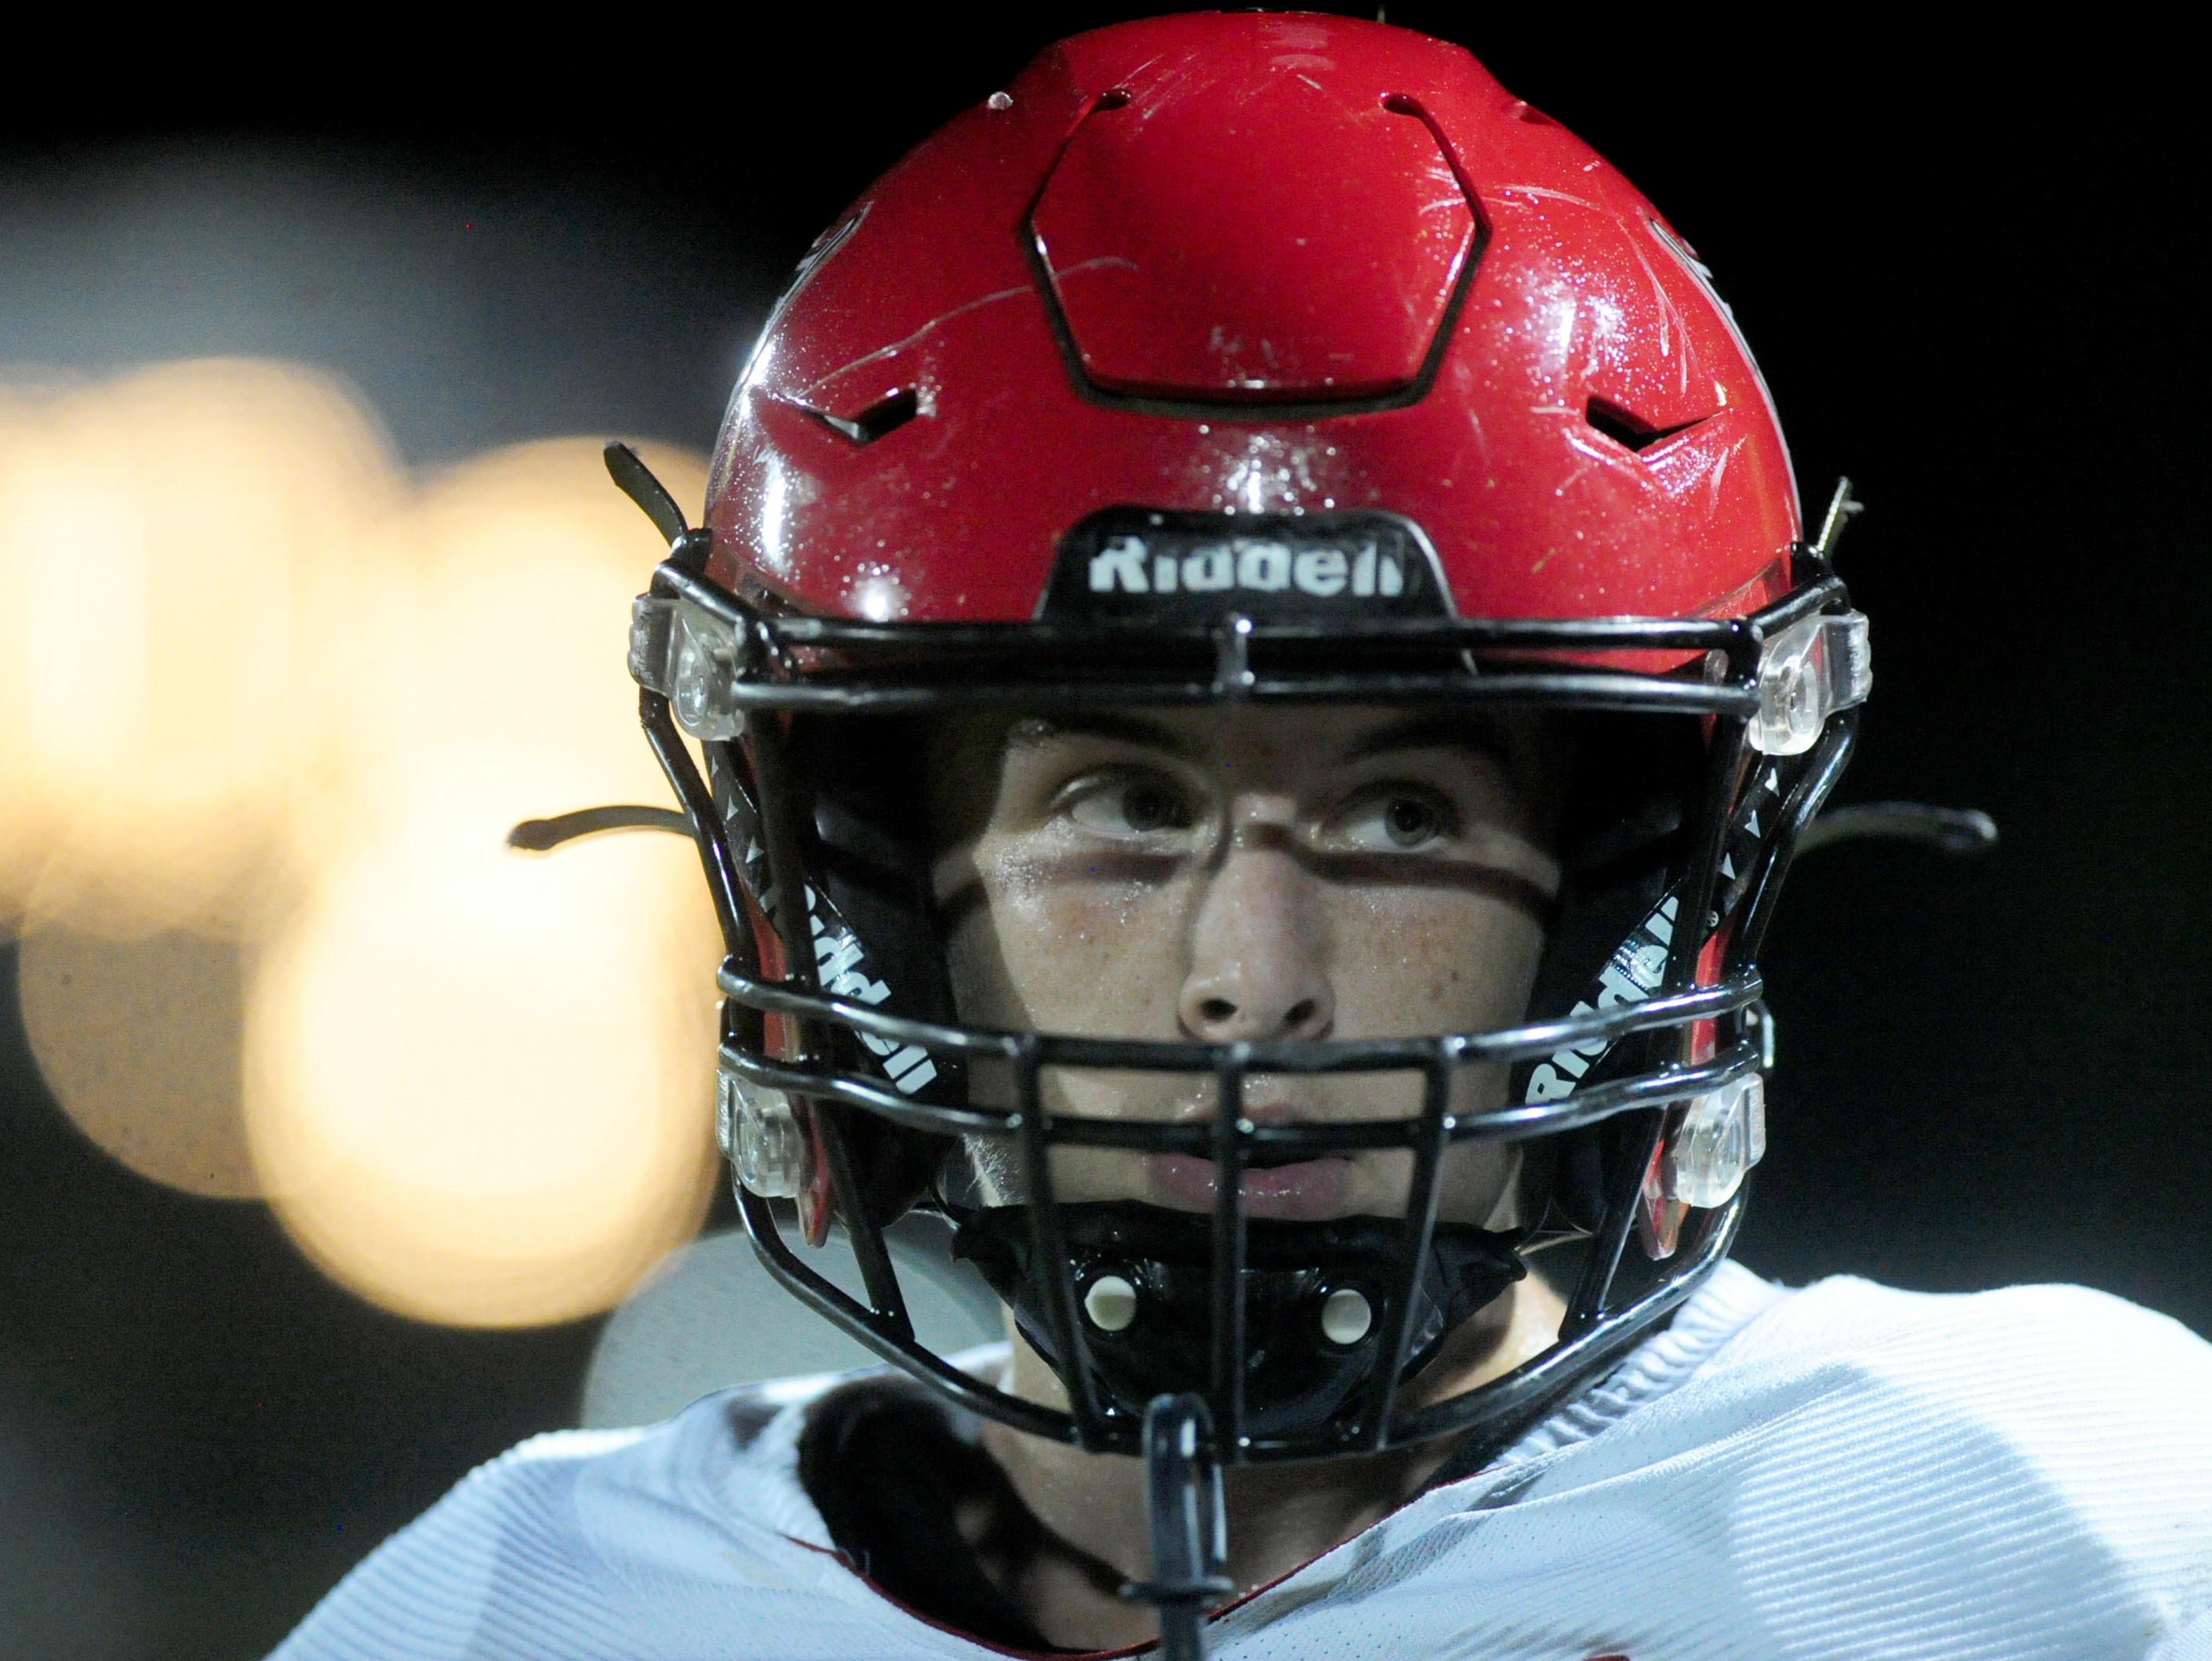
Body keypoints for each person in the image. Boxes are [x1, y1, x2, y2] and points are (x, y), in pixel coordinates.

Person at [271, 14, 2212, 1659]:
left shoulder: (2058, 1534)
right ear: (863, 884)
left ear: (1627, 886)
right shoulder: (516, 1614)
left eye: (1400, 809)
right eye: (1120, 800)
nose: (1251, 977)